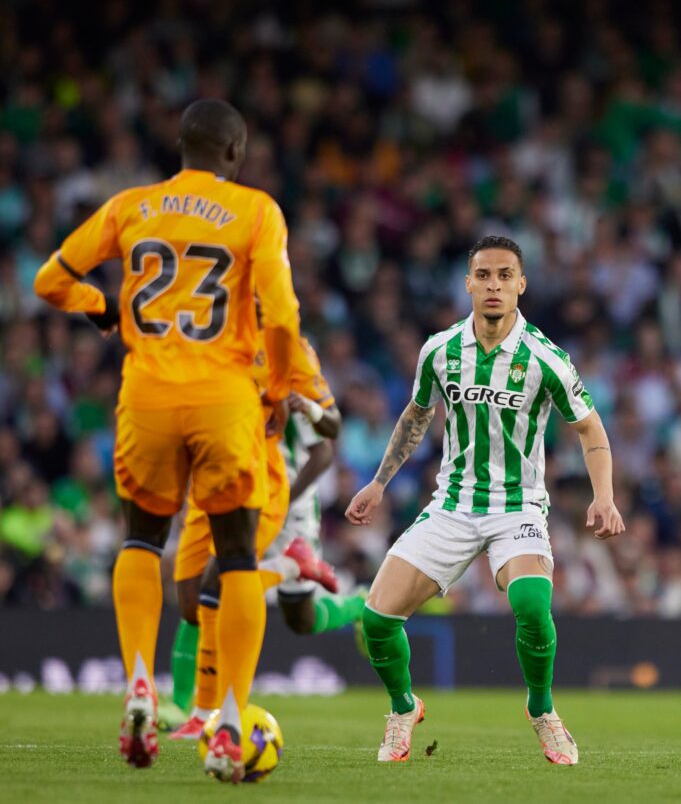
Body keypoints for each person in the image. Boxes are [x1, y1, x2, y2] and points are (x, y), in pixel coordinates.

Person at [34, 98, 301, 783]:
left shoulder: (131, 206)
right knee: (237, 554)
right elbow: (281, 309)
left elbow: (50, 280)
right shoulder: (256, 211)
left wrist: (103, 312)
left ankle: (141, 684)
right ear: (235, 153)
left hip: (146, 394)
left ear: (179, 147)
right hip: (223, 400)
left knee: (140, 539)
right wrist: (277, 387)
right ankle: (231, 719)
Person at [346, 235, 625, 766]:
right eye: (484, 275)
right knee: (377, 619)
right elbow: (416, 415)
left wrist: (604, 497)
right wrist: (379, 483)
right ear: (469, 283)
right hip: (452, 504)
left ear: (521, 285)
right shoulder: (439, 350)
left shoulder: (545, 357)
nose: (494, 285)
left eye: (504, 276)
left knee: (532, 606)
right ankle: (403, 708)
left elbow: (591, 430)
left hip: (518, 506)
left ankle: (542, 710)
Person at [168, 334, 366, 739]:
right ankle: (183, 704)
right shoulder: (225, 352)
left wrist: (283, 502)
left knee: (300, 619)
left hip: (287, 504)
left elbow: (325, 450)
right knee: (206, 591)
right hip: (237, 489)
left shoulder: (289, 366)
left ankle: (360, 603)